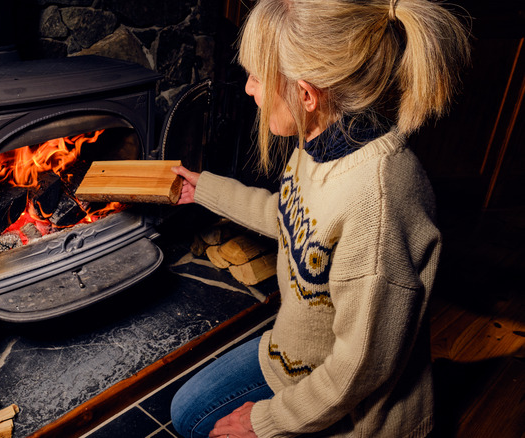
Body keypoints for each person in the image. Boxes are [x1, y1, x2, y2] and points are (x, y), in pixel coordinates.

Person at [169, 0, 470, 437]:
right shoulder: (322, 138)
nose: (250, 89)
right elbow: (293, 219)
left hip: (353, 410)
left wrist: (265, 423)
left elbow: (360, 367)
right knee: (187, 411)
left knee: (198, 424)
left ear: (307, 94)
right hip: (290, 357)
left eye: (257, 77)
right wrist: (205, 190)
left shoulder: (378, 203)